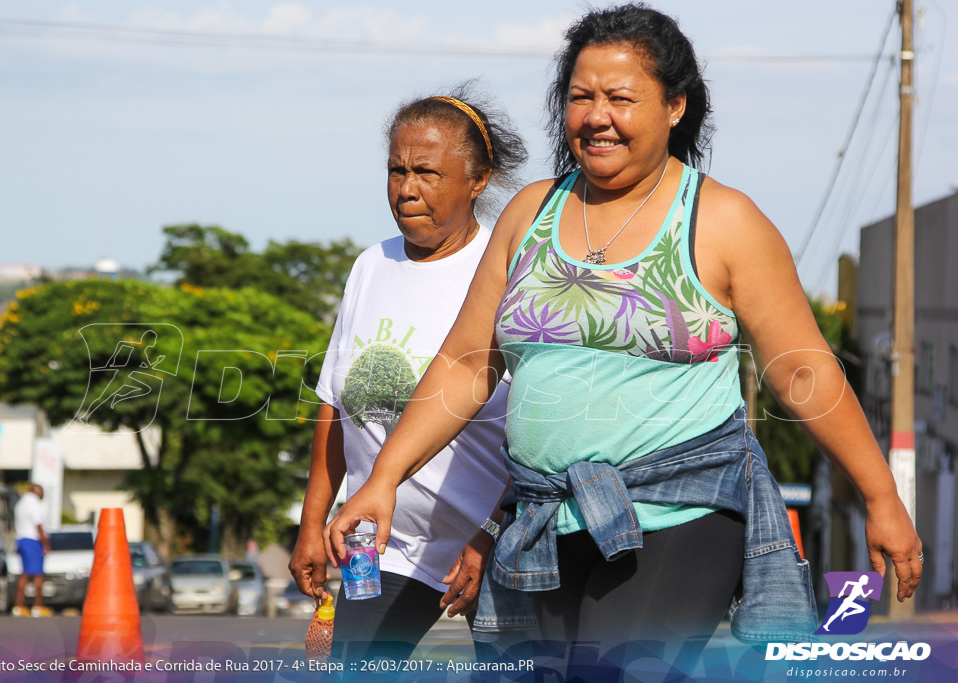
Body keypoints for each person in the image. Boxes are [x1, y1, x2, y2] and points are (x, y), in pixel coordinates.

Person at [325, 3, 923, 671]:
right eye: (580, 97)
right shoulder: (532, 213)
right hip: (542, 519)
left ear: (675, 106)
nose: (596, 115)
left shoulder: (723, 220)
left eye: (620, 97)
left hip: (678, 511)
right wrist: (382, 479)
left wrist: (880, 495)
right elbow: (466, 364)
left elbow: (803, 370)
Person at [289, 86, 528, 663]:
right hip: (383, 545)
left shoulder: (508, 269)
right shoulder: (370, 267)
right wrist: (312, 521)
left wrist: (491, 534)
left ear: (478, 179)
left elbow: (543, 427)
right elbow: (335, 406)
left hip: (485, 544)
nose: (407, 188)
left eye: (426, 171)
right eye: (397, 170)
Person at [12, 484, 51, 617]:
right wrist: (46, 544)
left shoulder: (21, 503)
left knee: (25, 574)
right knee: (38, 575)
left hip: (21, 539)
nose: (43, 494)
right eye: (42, 491)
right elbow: (38, 525)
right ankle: (38, 607)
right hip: (33, 540)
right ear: (36, 491)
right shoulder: (34, 504)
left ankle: (19, 606)